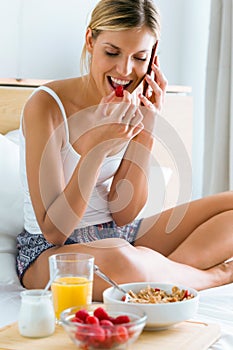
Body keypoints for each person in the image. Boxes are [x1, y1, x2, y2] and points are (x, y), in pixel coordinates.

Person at [16, 0, 233, 301]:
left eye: (140, 57)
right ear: (90, 40)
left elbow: (123, 214)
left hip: (119, 235)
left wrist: (149, 124)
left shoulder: (133, 105)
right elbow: (55, 230)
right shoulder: (46, 106)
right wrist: (98, 147)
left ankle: (158, 271)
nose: (125, 70)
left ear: (153, 58)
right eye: (112, 52)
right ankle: (211, 275)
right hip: (53, 252)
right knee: (121, 256)